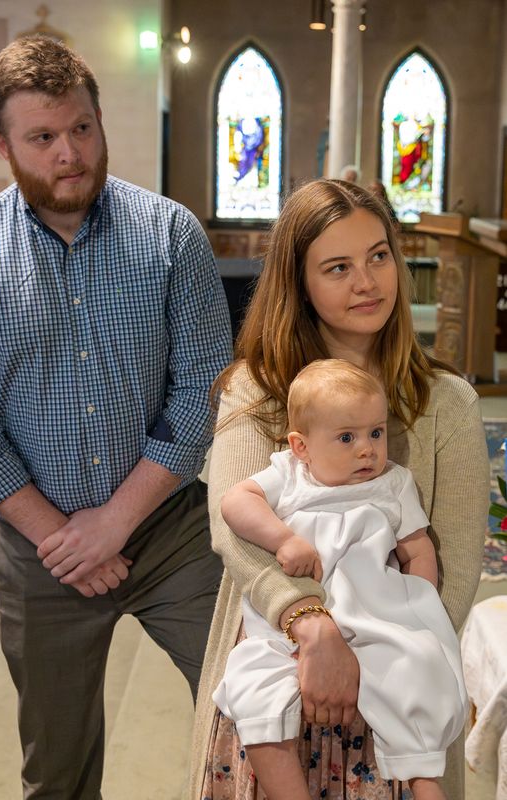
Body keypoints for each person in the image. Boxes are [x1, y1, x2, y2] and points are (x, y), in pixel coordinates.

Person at [0, 35, 232, 799]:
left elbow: (201, 395)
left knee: (252, 709)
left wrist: (114, 524)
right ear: (2, 143)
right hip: (38, 546)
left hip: (171, 529)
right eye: (43, 137)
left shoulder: (171, 235)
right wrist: (65, 538)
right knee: (56, 771)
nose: (69, 154)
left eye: (82, 128)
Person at [189, 178, 489, 800]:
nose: (367, 282)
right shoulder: (259, 390)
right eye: (338, 266)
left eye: (379, 256)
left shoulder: (446, 403)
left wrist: (380, 660)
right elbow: (235, 530)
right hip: (281, 661)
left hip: (394, 683)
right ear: (300, 283)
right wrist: (313, 628)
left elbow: (454, 567)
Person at [213, 359, 467, 800]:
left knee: (417, 672)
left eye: (376, 432)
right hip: (293, 628)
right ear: (301, 446)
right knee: (252, 684)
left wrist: (421, 605)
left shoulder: (393, 484)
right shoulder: (288, 477)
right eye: (346, 438)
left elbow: (417, 546)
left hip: (375, 613)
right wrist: (283, 538)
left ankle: (426, 782)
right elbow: (235, 502)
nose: (367, 449)